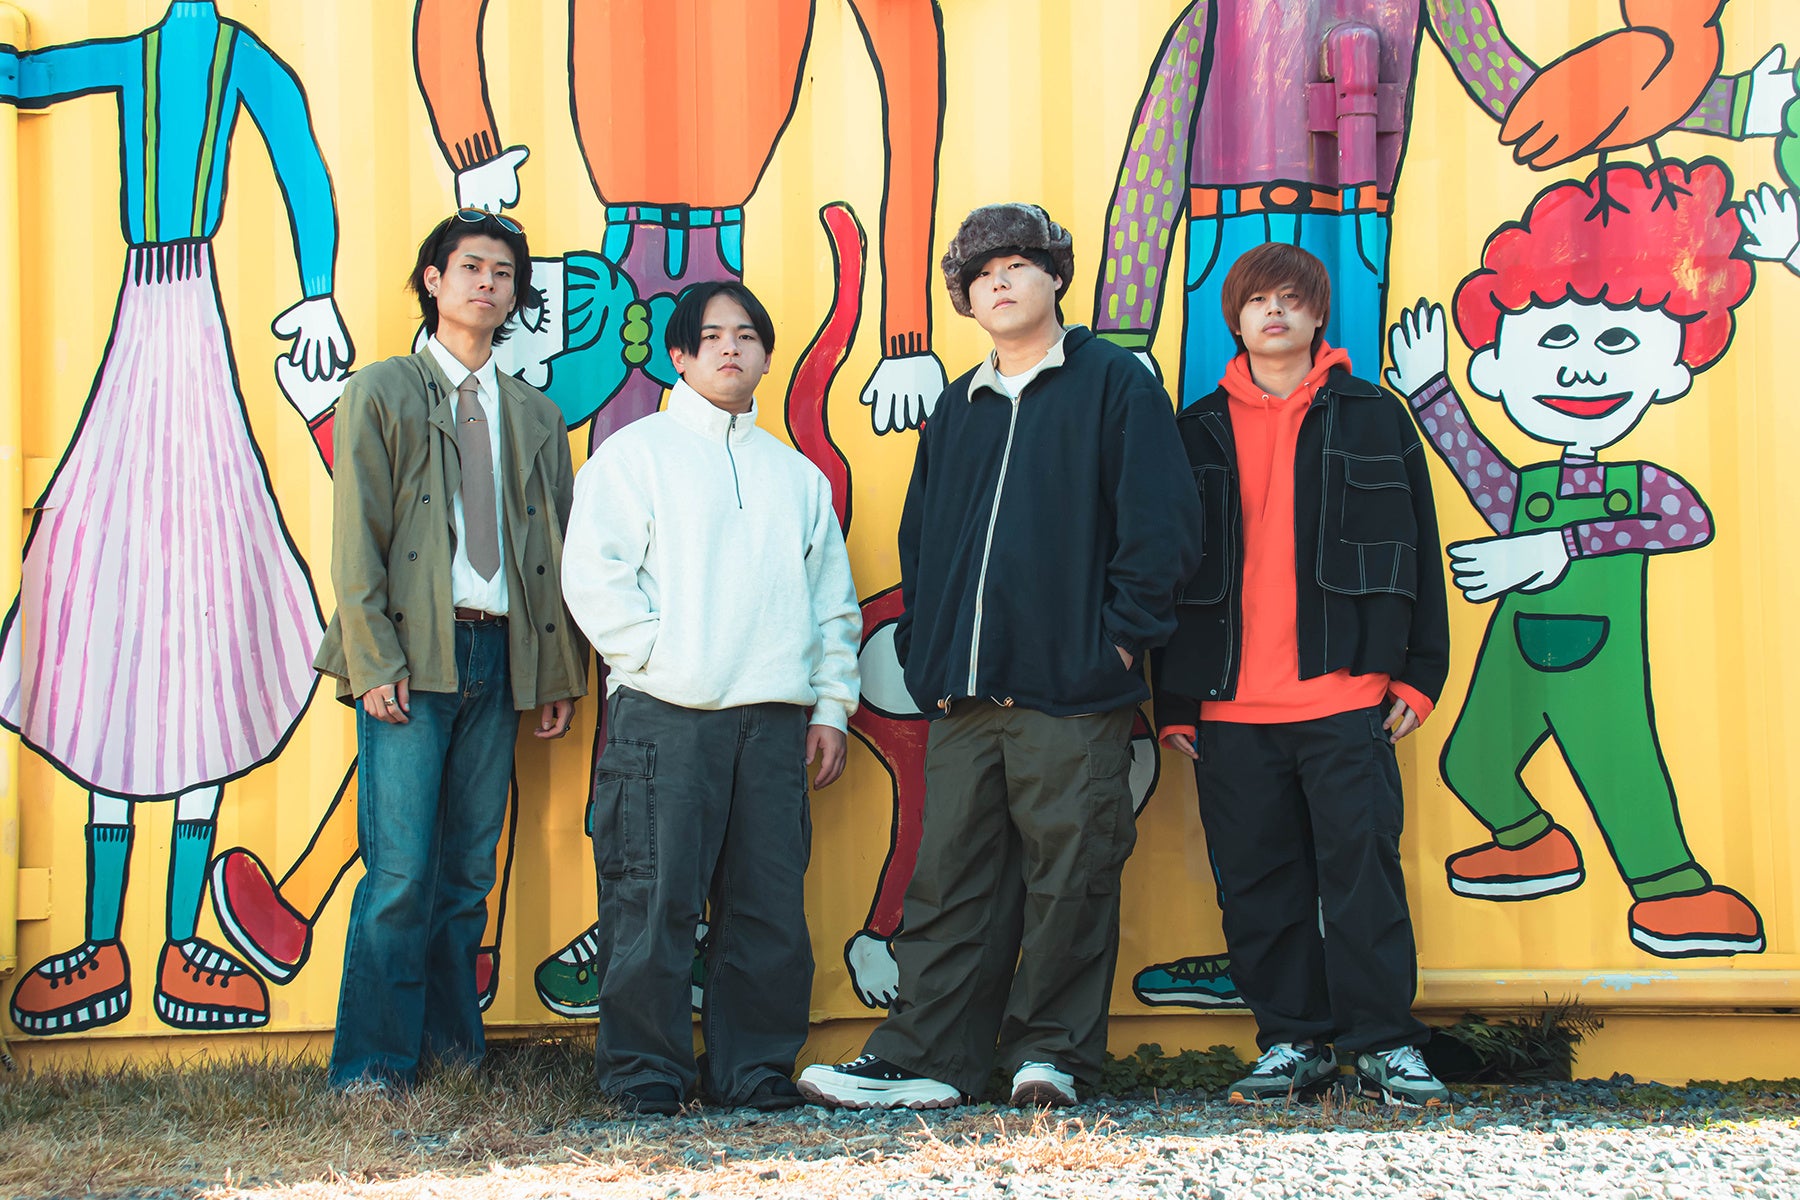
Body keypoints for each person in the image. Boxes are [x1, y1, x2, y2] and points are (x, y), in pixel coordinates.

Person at [799, 203, 1202, 1111]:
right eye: (981, 274)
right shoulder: (959, 405)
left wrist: (1115, 643)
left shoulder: (1115, 384)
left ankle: (1051, 1055)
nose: (1000, 282)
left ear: (1055, 276)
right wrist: (934, 655)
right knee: (949, 881)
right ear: (968, 299)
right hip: (965, 697)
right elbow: (924, 541)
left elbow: (1163, 527)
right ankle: (929, 1060)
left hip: (1074, 690)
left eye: (1018, 264)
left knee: (1071, 876)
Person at [1153, 241, 1449, 1107]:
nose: (1274, 311)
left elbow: (1420, 551)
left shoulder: (1374, 416)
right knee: (1257, 885)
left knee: (1363, 878)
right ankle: (1291, 1042)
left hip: (1345, 696)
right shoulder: (1195, 430)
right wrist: (1175, 700)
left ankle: (1386, 1045)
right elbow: (1170, 572)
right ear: (1236, 319)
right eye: (1258, 300)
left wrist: (1419, 674)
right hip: (1229, 709)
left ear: (1319, 315)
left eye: (1291, 298)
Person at [562, 281, 862, 1116]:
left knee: (768, 907)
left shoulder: (797, 477)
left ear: (766, 355)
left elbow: (833, 606)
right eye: (712, 335)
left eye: (747, 335)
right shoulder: (634, 455)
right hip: (666, 716)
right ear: (680, 356)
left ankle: (753, 1071)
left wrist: (830, 707)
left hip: (773, 720)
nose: (731, 347)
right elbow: (594, 576)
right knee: (651, 898)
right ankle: (645, 1075)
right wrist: (659, 658)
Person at [314, 210, 586, 1091]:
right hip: (411, 659)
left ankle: (450, 1056)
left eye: (503, 274)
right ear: (433, 280)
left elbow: (553, 552)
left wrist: (557, 672)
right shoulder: (383, 389)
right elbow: (357, 538)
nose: (487, 284)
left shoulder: (536, 415)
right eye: (471, 267)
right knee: (400, 872)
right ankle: (373, 1066)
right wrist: (373, 660)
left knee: (468, 874)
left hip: (501, 658)